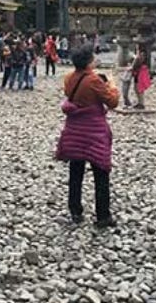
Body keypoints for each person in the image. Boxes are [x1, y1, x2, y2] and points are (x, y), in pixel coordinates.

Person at [54, 44, 119, 228]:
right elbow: (112, 102)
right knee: (101, 172)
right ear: (89, 61)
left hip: (74, 129)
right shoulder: (94, 80)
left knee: (75, 173)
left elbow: (71, 96)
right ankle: (102, 215)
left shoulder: (69, 78)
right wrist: (112, 85)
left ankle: (75, 211)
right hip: (93, 132)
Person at [130, 45, 151, 110]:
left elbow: (137, 63)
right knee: (137, 88)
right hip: (140, 72)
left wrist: (132, 67)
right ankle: (140, 102)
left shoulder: (141, 55)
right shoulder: (143, 55)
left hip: (140, 73)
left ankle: (141, 103)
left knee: (139, 88)